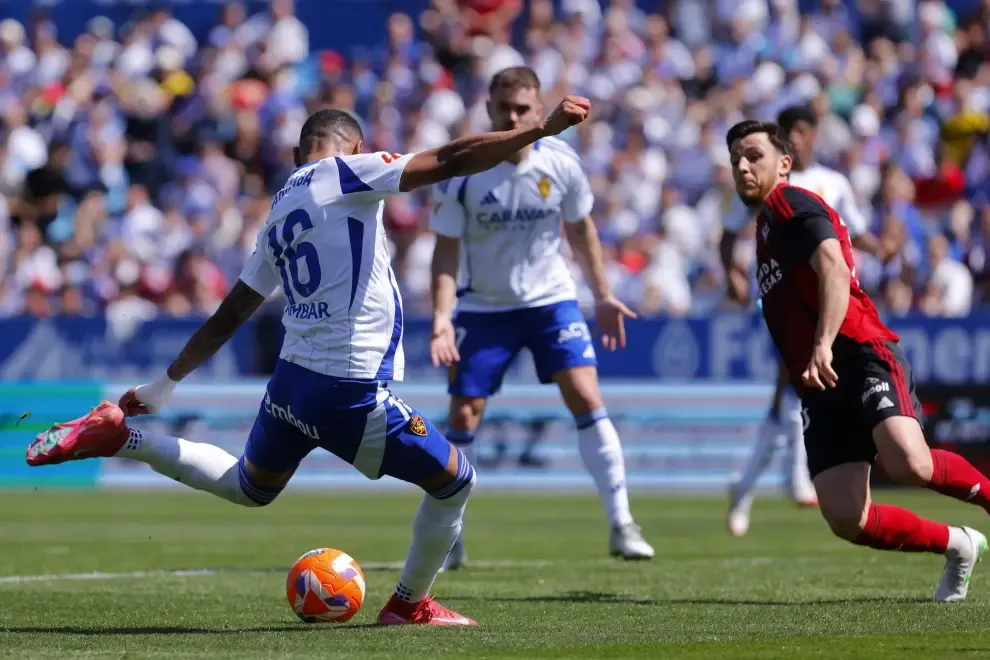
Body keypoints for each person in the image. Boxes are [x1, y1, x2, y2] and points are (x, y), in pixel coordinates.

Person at [25, 98, 592, 625]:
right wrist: (538, 130)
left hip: (291, 383)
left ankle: (120, 439)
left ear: (298, 154)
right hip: (348, 387)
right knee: (455, 482)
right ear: (355, 148)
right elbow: (449, 158)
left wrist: (165, 382)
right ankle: (410, 605)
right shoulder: (347, 172)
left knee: (249, 486)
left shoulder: (277, 213)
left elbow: (230, 313)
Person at [727, 118, 989, 601]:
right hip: (820, 384)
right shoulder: (764, 228)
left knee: (909, 462)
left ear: (784, 164)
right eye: (735, 160)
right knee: (849, 518)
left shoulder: (790, 203)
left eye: (753, 156)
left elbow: (832, 264)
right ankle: (958, 544)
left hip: (858, 349)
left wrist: (823, 341)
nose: (742, 166)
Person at [428, 66, 654, 569]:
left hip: (550, 301)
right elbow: (444, 252)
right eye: (504, 108)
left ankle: (622, 523)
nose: (513, 117)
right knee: (464, 415)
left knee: (586, 393)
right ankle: (450, 535)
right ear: (488, 110)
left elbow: (581, 230)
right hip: (484, 306)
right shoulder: (463, 171)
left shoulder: (562, 162)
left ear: (539, 110)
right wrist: (442, 317)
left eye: (523, 109)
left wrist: (603, 294)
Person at [720, 105, 886, 537]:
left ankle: (745, 489)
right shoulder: (764, 176)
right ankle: (795, 477)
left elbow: (853, 230)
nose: (796, 136)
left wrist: (881, 247)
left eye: (802, 131)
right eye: (788, 130)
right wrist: (733, 276)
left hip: (835, 297)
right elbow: (729, 230)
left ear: (812, 136)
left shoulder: (833, 183)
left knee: (790, 396)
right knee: (793, 385)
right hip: (790, 297)